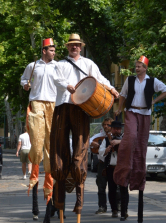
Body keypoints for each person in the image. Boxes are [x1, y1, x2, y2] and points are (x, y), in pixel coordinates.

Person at [50, 33, 119, 218]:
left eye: (77, 45)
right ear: (67, 47)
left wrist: (111, 89)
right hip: (63, 106)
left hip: (80, 108)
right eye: (71, 45)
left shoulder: (89, 64)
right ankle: (60, 198)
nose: (74, 47)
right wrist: (68, 85)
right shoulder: (60, 64)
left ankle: (78, 194)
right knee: (59, 148)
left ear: (81, 46)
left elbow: (100, 79)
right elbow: (56, 79)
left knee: (80, 148)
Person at [113, 55, 166, 222]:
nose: (136, 68)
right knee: (130, 138)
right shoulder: (129, 80)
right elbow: (123, 95)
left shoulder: (152, 81)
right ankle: (124, 168)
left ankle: (138, 175)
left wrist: (154, 101)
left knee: (141, 145)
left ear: (145, 68)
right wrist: (119, 108)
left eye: (139, 66)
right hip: (131, 112)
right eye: (136, 66)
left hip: (145, 113)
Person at [20, 38, 58, 222]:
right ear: (44, 50)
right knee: (36, 144)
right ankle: (34, 172)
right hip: (36, 102)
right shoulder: (33, 65)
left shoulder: (57, 66)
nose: (54, 52)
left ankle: (50, 188)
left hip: (52, 103)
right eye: (51, 50)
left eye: (54, 50)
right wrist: (25, 84)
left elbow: (64, 83)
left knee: (50, 145)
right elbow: (24, 79)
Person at [99, 121, 125, 218]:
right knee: (112, 189)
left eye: (118, 129)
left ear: (121, 129)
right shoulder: (106, 140)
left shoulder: (124, 139)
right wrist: (106, 150)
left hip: (122, 168)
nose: (117, 131)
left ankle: (123, 209)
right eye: (115, 129)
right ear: (112, 129)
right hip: (111, 168)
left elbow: (131, 144)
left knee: (123, 189)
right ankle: (114, 209)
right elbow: (100, 152)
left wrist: (119, 142)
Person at [90, 117, 114, 214]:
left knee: (114, 187)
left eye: (108, 125)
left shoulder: (115, 136)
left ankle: (116, 207)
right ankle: (102, 207)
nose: (106, 126)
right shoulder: (99, 136)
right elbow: (87, 141)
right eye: (104, 125)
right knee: (101, 186)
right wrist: (92, 143)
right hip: (102, 164)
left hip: (112, 164)